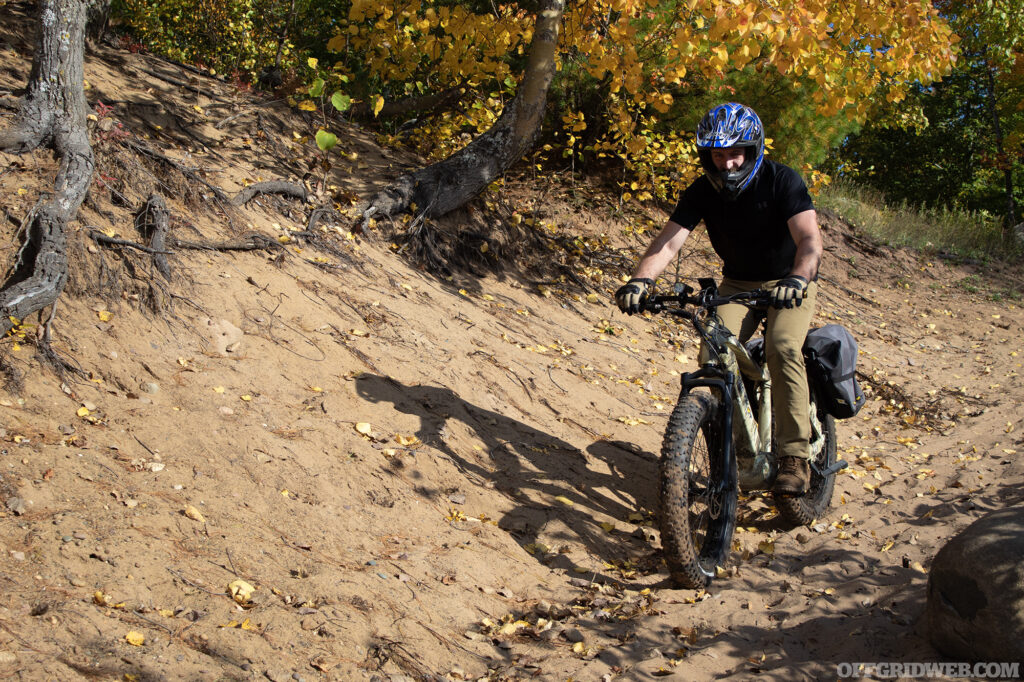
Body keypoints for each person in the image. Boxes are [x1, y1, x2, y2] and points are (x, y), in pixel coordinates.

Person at [615, 102, 823, 495]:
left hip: (788, 281)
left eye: (734, 153)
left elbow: (809, 241)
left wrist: (797, 278)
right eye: (718, 154)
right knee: (713, 355)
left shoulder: (782, 180)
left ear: (752, 148)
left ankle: (794, 456)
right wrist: (640, 282)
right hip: (737, 284)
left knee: (781, 347)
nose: (727, 164)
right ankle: (736, 451)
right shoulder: (701, 192)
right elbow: (669, 241)